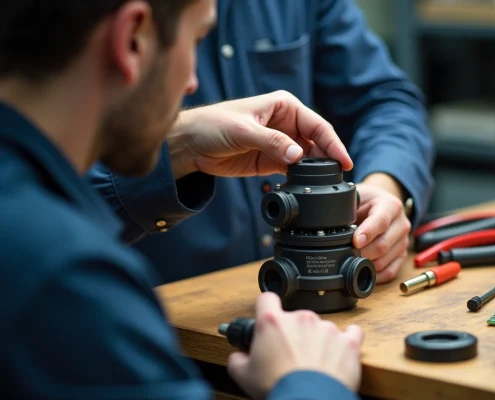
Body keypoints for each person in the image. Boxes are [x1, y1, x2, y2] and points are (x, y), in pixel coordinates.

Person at [0, 1, 364, 399]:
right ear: (133, 39)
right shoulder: (69, 279)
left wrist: (180, 145)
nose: (192, 84)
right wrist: (311, 382)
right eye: (196, 39)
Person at [89, 0, 435, 285]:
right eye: (193, 41)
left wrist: (385, 188)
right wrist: (175, 145)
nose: (191, 83)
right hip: (159, 320)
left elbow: (385, 101)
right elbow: (51, 182)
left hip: (295, 317)